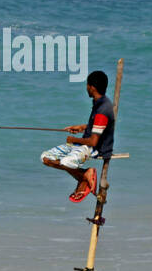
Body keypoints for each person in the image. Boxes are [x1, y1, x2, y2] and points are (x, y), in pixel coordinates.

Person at [41, 69, 115, 203]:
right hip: (82, 144)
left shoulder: (102, 110)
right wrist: (81, 127)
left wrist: (73, 139)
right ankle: (83, 175)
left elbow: (93, 141)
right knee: (45, 158)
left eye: (87, 85)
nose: (86, 88)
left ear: (92, 87)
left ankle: (85, 175)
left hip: (94, 148)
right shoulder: (99, 103)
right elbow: (98, 126)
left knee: (66, 162)